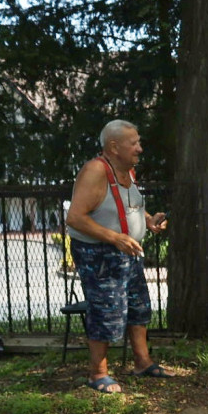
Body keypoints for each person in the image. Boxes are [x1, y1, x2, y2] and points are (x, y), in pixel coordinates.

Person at [66, 119, 171, 393]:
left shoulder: (127, 171)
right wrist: (115, 237)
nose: (140, 148)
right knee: (106, 311)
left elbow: (127, 207)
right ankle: (97, 373)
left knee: (138, 308)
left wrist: (148, 221)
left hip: (129, 252)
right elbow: (75, 218)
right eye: (133, 143)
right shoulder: (95, 171)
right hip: (100, 254)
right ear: (114, 146)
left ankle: (142, 362)